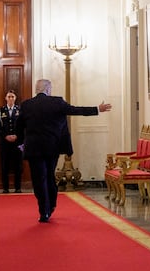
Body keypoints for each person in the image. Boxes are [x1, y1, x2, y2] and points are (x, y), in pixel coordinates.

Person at [15, 79, 112, 223]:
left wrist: (21, 143)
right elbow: (76, 110)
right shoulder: (57, 102)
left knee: (38, 179)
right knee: (49, 176)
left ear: (37, 89)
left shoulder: (26, 105)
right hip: (52, 148)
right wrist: (97, 109)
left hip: (34, 148)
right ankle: (51, 204)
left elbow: (19, 126)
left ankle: (44, 211)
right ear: (48, 89)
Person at [0, 90, 23, 193]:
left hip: (17, 142)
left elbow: (23, 126)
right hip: (4, 143)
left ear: (15, 98)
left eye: (12, 97)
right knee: (4, 165)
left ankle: (18, 187)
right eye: (9, 97)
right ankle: (5, 188)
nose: (11, 99)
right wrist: (5, 136)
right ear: (6, 98)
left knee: (18, 166)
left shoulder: (20, 110)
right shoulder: (0, 111)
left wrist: (17, 136)